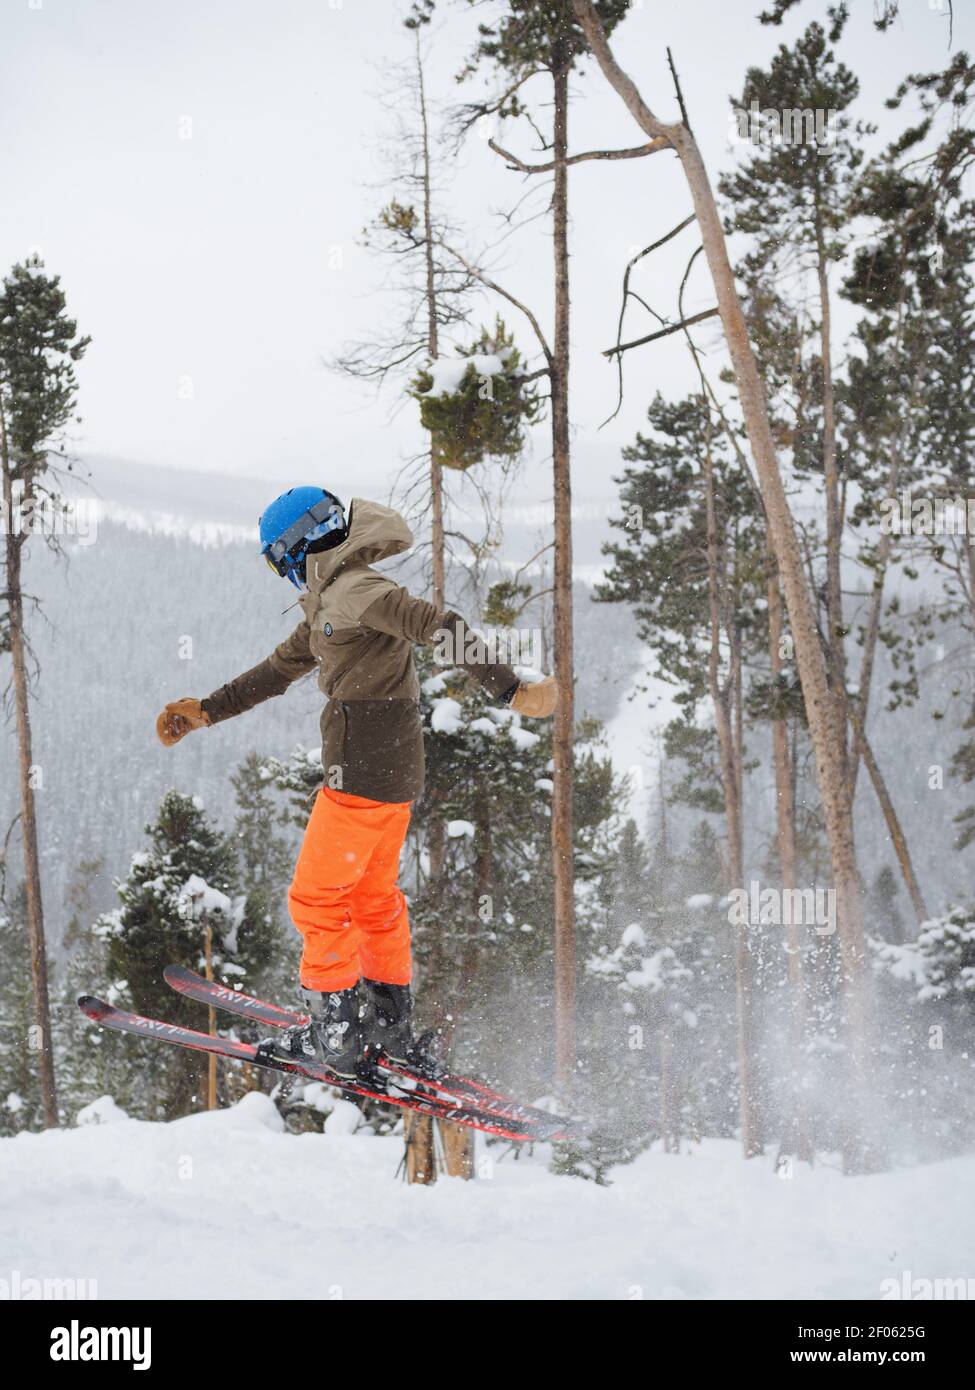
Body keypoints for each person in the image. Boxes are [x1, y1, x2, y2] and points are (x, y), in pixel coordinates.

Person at [156, 486, 557, 1079]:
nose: (281, 573)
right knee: (372, 899)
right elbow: (278, 670)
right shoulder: (332, 600)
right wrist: (207, 710)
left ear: (293, 548)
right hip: (393, 774)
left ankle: (336, 1035)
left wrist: (509, 688)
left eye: (277, 559)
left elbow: (436, 623)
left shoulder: (355, 591)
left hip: (361, 771)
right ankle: (391, 1027)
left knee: (316, 900)